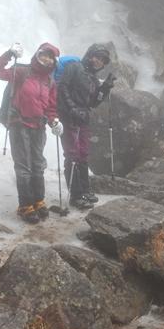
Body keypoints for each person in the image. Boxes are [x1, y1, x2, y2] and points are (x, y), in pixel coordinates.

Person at [0, 42, 62, 224]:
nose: (47, 59)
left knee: (38, 165)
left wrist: (54, 121)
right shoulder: (22, 71)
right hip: (19, 124)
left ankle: (38, 201)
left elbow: (51, 107)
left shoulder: (50, 81)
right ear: (37, 54)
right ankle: (25, 206)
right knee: (24, 167)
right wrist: (9, 53)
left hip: (39, 127)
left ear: (54, 61)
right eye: (44, 54)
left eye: (50, 57)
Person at [56, 44, 115, 209]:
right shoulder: (74, 67)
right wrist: (72, 108)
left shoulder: (93, 78)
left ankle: (84, 190)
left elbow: (93, 102)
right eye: (97, 57)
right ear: (90, 55)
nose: (99, 62)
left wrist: (105, 88)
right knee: (72, 155)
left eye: (102, 60)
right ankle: (75, 196)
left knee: (83, 154)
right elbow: (62, 88)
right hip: (69, 117)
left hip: (83, 117)